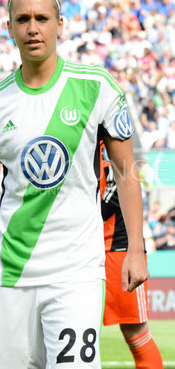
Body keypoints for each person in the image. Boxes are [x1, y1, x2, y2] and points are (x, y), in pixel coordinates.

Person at [0, 0, 148, 369]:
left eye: (42, 18)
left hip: (76, 271)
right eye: (22, 19)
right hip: (10, 273)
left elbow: (127, 173)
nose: (32, 28)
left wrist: (137, 251)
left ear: (60, 24)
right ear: (8, 27)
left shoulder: (97, 87)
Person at [99, 141, 163, 369]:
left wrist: (87, 222)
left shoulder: (110, 140)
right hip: (88, 248)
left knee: (136, 333)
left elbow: (120, 187)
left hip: (119, 249)